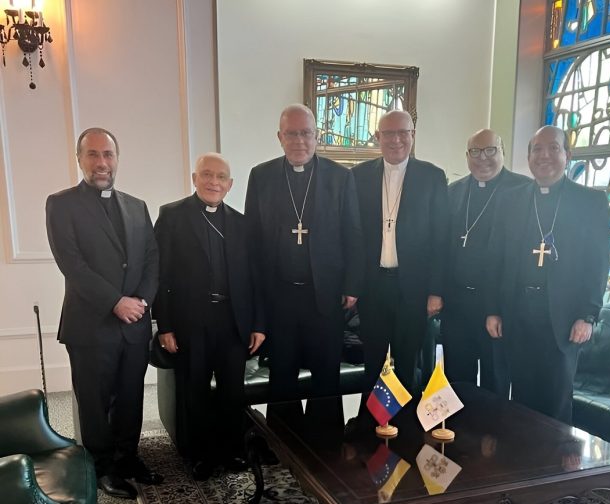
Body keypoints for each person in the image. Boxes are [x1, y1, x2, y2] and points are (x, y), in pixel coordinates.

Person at [46, 127, 162, 499]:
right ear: (79, 159)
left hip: (134, 324)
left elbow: (150, 259)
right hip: (91, 324)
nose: (101, 162)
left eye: (108, 155)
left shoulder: (136, 205)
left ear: (116, 159)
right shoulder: (61, 204)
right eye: (92, 154)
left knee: (131, 396)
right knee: (95, 403)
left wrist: (141, 300)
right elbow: (73, 265)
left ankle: (128, 458)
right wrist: (116, 301)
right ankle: (102, 468)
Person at [485, 125, 610, 423]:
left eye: (553, 148)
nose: (545, 155)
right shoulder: (511, 200)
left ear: (567, 155)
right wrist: (493, 310)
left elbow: (598, 263)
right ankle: (522, 465)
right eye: (537, 149)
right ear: (528, 157)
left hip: (564, 319)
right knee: (518, 399)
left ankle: (554, 466)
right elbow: (496, 260)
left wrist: (588, 315)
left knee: (555, 399)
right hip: (517, 314)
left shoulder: (590, 202)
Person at [153, 153, 265, 480]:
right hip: (191, 322)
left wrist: (258, 324)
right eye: (206, 174)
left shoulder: (242, 223)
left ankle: (232, 451)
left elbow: (253, 278)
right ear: (194, 178)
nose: (213, 182)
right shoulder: (172, 216)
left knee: (233, 392)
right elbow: (161, 275)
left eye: (220, 177)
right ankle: (198, 455)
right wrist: (166, 326)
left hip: (232, 321)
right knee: (195, 391)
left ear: (230, 185)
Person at [244, 104, 364, 401]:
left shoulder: (340, 177)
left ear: (317, 135)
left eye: (306, 133)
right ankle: (281, 445)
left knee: (326, 376)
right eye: (291, 133)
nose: (299, 141)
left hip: (324, 295)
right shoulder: (262, 176)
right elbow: (253, 240)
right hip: (280, 295)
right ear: (279, 137)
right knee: (282, 376)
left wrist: (351, 285)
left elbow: (353, 234)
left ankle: (325, 445)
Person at [352, 110, 448, 398]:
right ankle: (371, 431)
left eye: (402, 133)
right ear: (378, 138)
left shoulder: (432, 176)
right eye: (388, 133)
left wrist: (436, 291)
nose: (396, 140)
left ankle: (405, 432)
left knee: (408, 364)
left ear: (412, 136)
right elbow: (352, 235)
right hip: (373, 286)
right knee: (373, 364)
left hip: (413, 287)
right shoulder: (358, 176)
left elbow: (440, 239)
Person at [441, 129, 529, 395]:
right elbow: (442, 247)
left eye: (490, 150)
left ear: (502, 151)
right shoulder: (453, 192)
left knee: (496, 379)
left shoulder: (523, 191)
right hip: (457, 304)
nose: (483, 158)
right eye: (475, 152)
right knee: (456, 380)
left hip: (499, 306)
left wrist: (501, 307)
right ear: (467, 156)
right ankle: (458, 433)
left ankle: (496, 435)